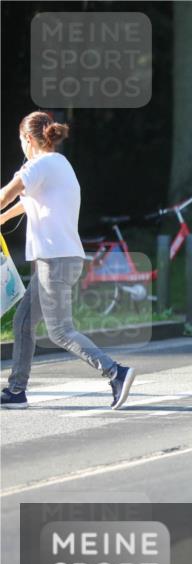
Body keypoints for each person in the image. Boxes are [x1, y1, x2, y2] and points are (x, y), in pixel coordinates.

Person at [0, 111, 135, 409]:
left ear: (26, 138)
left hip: (55, 260)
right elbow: (23, 204)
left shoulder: (39, 165)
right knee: (24, 323)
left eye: (20, 140)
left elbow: (7, 195)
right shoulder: (59, 164)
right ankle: (16, 391)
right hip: (60, 258)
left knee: (60, 330)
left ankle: (115, 372)